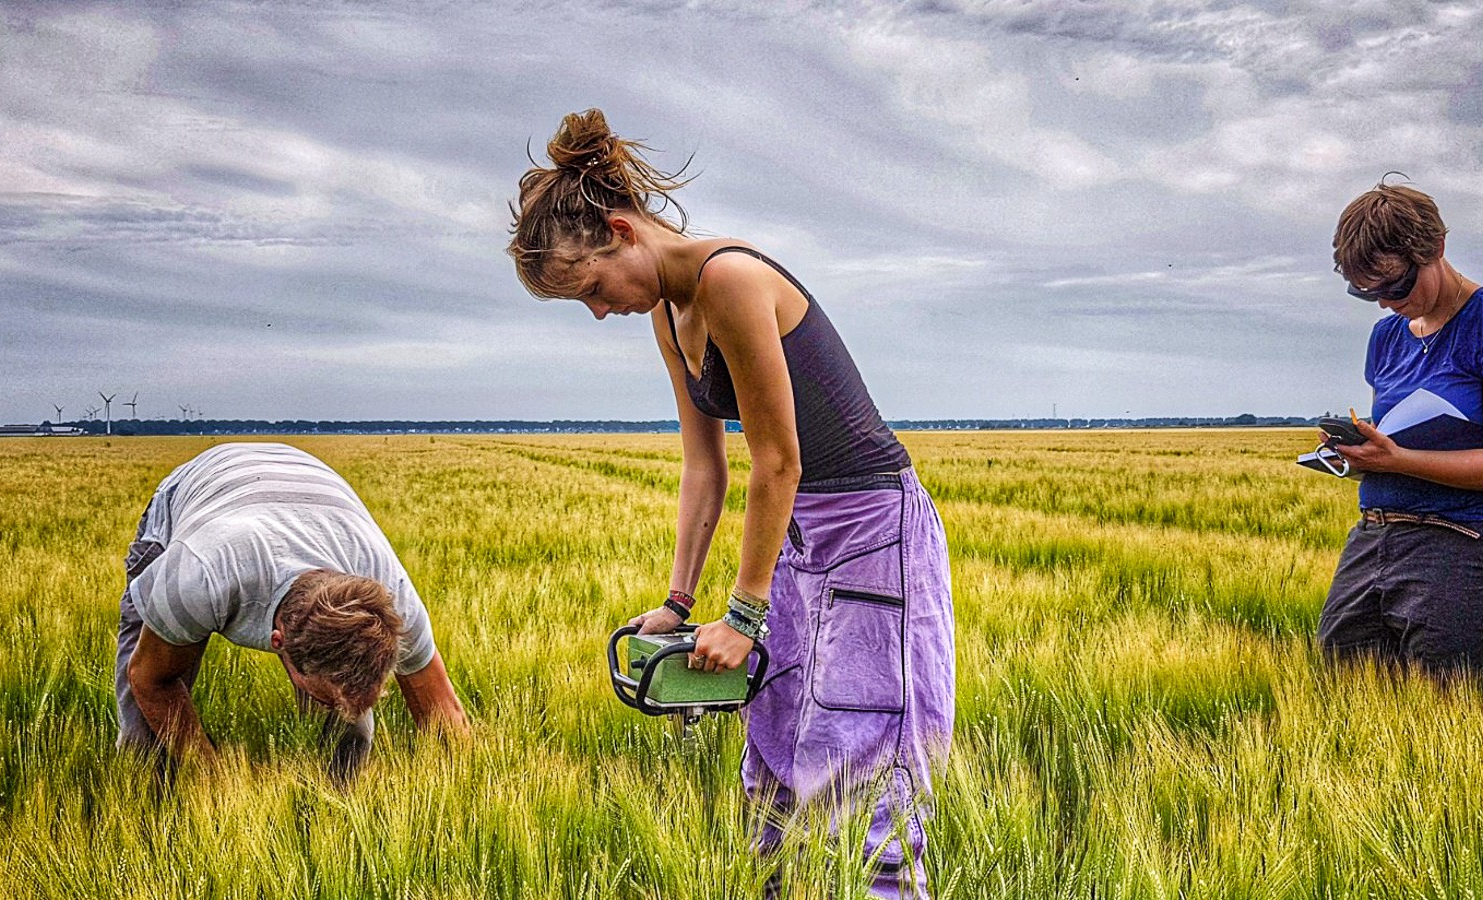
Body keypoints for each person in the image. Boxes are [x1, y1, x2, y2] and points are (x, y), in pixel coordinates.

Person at [508, 109, 955, 898]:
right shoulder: (668, 318)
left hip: (871, 530)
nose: (601, 311)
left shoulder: (732, 279)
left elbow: (777, 461)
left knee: (868, 754)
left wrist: (744, 618)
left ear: (620, 231)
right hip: (798, 540)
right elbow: (704, 469)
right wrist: (681, 602)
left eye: (594, 290)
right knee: (778, 746)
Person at [116, 442, 468, 781]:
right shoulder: (199, 576)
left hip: (311, 488)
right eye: (321, 695)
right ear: (277, 641)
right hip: (196, 492)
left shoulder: (394, 600)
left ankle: (336, 801)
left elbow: (444, 714)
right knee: (143, 734)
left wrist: (466, 794)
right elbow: (151, 679)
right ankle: (145, 801)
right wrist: (217, 784)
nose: (340, 706)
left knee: (351, 720)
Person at [1321, 176, 1483, 689]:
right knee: (1343, 695)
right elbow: (1404, 436)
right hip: (1374, 536)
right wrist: (1363, 455)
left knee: (1448, 717)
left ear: (1437, 247)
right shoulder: (1386, 337)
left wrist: (1397, 459)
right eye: (1366, 292)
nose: (1384, 303)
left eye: (1396, 286)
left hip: (1463, 544)